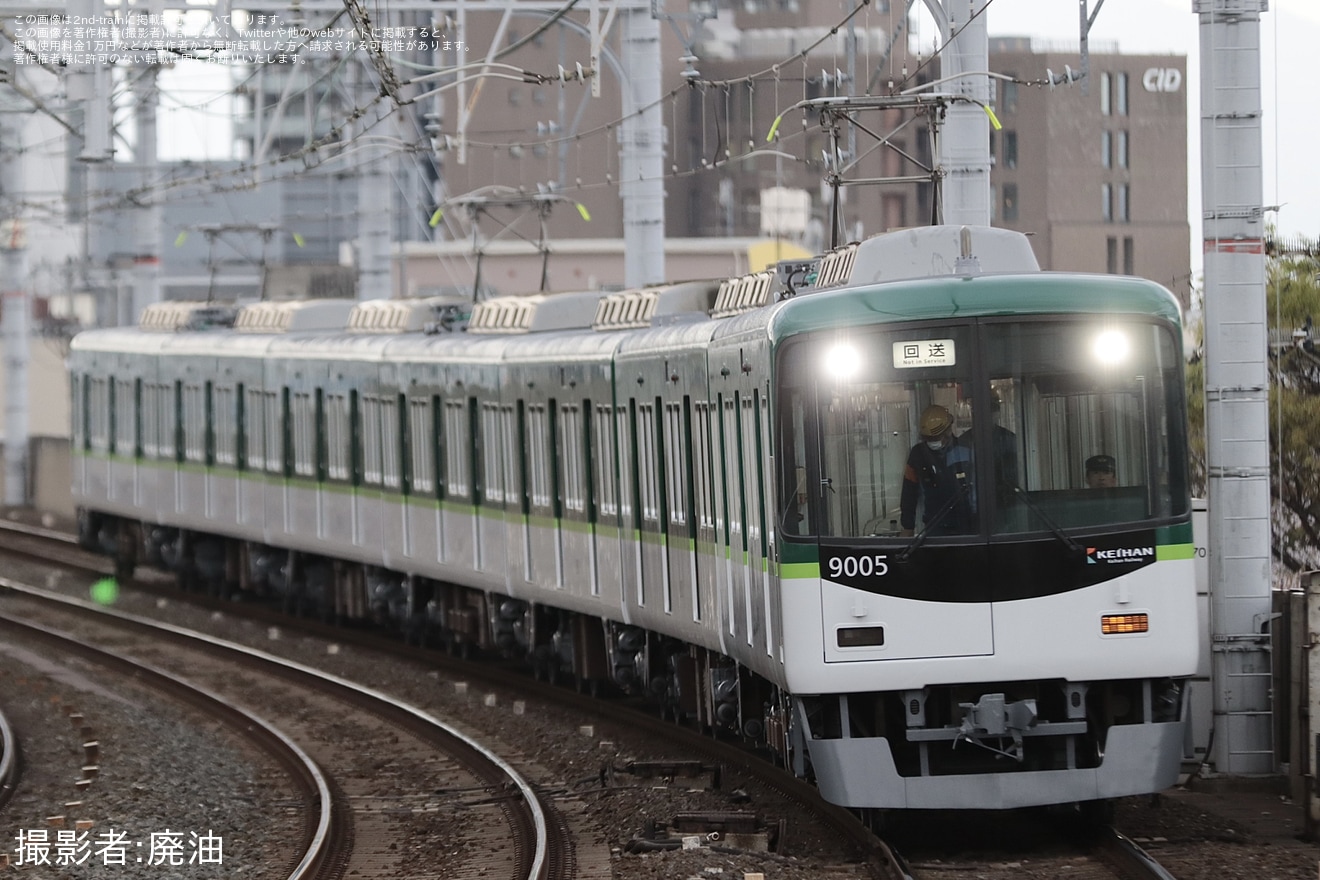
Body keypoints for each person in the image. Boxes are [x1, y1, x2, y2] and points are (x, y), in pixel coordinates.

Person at [899, 404, 977, 537]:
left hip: (966, 525)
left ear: (948, 431)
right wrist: (908, 526)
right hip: (933, 527)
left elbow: (977, 491)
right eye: (928, 439)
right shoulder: (918, 454)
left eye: (935, 438)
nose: (932, 442)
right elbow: (909, 491)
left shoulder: (966, 451)